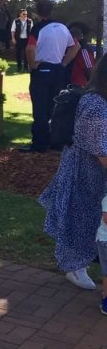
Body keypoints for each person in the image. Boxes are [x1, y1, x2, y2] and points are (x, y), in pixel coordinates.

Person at [39, 55, 107, 291]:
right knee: (80, 218)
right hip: (84, 174)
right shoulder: (95, 105)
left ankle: (86, 261)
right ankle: (75, 266)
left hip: (95, 175)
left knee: (93, 219)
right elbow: (101, 149)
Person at [22, 0, 78, 153]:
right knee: (54, 107)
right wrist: (64, 63)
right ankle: (55, 140)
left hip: (42, 69)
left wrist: (32, 65)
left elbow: (30, 49)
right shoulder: (62, 27)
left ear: (38, 13)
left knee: (40, 107)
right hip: (58, 70)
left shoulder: (38, 28)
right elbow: (75, 47)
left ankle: (40, 143)